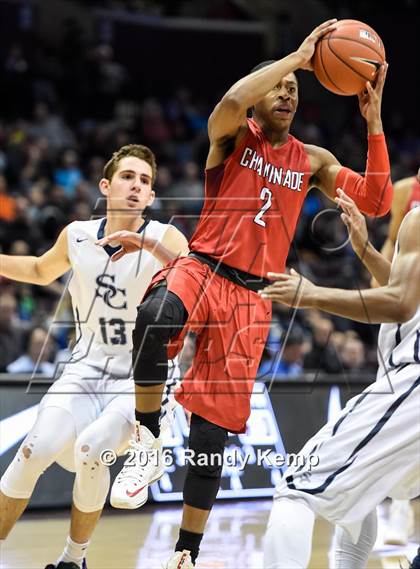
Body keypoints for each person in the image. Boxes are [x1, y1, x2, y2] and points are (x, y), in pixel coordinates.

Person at [102, 20, 393, 568]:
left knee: (212, 436)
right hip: (203, 267)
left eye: (295, 90)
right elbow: (233, 100)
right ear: (261, 95)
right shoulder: (234, 135)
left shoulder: (312, 160)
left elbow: (376, 200)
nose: (287, 92)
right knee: (156, 316)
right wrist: (297, 59)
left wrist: (373, 122)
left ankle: (185, 553)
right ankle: (147, 436)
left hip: (252, 300)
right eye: (278, 86)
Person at [0, 144, 189, 569]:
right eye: (128, 177)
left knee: (91, 448)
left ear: (152, 196)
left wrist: (143, 244)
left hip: (143, 377)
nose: (137, 186)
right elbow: (38, 270)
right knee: (34, 448)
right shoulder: (78, 234)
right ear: (106, 186)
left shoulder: (164, 236)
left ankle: (74, 559)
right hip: (86, 366)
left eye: (145, 181)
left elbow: (195, 280)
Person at [261, 190, 419, 569]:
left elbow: (400, 303)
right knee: (358, 495)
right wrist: (364, 249)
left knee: (297, 487)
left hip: (412, 383)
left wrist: (313, 295)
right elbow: (408, 291)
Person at [371, 168, 420, 545]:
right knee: (394, 415)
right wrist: (380, 281)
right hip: (408, 306)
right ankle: (400, 513)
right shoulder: (406, 191)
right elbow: (392, 242)